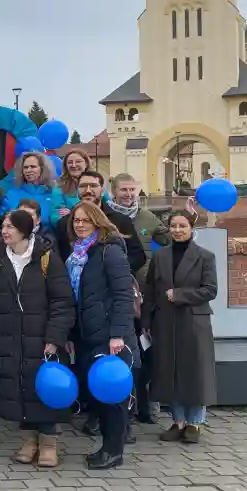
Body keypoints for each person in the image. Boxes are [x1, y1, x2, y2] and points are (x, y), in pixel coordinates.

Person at [0, 208, 75, 467]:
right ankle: (28, 440)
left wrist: (54, 337)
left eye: (10, 227)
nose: (4, 231)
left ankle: (48, 443)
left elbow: (62, 301)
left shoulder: (47, 258)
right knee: (19, 387)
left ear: (23, 230)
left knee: (43, 388)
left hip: (41, 335)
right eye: (3, 226)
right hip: (11, 334)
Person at [65, 201, 137, 470]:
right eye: (76, 221)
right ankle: (106, 447)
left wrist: (117, 334)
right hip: (87, 334)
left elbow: (122, 295)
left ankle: (114, 451)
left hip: (109, 336)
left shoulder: (110, 251)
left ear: (97, 222)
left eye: (85, 220)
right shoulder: (77, 255)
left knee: (112, 397)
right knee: (98, 396)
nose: (80, 224)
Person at [143, 210, 219, 443]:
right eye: (173, 226)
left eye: (182, 226)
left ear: (191, 228)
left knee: (195, 372)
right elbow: (150, 290)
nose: (177, 230)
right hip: (165, 321)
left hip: (193, 321)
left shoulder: (205, 256)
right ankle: (178, 422)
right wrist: (146, 321)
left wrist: (179, 294)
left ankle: (195, 423)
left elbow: (210, 290)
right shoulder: (160, 256)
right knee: (170, 371)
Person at [109, 172, 169, 422]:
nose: (129, 194)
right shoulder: (107, 217)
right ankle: (125, 404)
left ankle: (145, 404)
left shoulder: (147, 217)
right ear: (113, 192)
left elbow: (171, 238)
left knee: (145, 351)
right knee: (122, 351)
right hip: (117, 292)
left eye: (132, 190)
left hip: (143, 294)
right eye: (124, 190)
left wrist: (193, 219)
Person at [55, 171, 146, 276]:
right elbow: (60, 258)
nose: (88, 190)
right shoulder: (64, 224)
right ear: (77, 191)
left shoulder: (120, 221)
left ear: (102, 191)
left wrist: (112, 271)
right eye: (83, 186)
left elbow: (137, 256)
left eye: (93, 186)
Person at [0, 152, 61, 234]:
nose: (28, 170)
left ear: (42, 168)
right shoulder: (11, 194)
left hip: (47, 243)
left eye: (33, 167)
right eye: (25, 167)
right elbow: (0, 221)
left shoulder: (54, 194)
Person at [52, 150, 99, 223]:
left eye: (78, 161)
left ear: (86, 163)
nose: (73, 165)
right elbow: (55, 217)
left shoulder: (97, 183)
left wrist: (72, 214)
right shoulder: (59, 187)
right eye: (70, 162)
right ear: (66, 166)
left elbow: (106, 209)